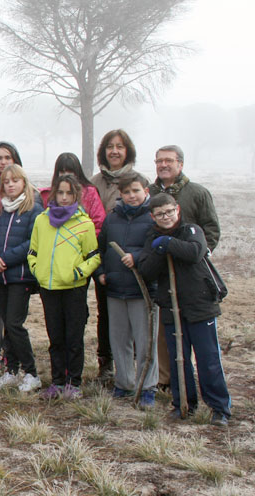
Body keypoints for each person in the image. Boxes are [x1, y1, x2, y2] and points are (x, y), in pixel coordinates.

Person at [137, 193, 230, 426]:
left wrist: (169, 244)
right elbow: (147, 269)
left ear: (177, 209)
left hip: (200, 306)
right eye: (160, 214)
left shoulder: (191, 230)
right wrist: (159, 251)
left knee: (208, 359)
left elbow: (195, 253)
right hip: (172, 307)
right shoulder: (152, 237)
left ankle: (219, 408)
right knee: (179, 359)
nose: (166, 217)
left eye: (169, 212)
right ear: (153, 216)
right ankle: (183, 405)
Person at [29, 175, 100, 401]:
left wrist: (78, 273)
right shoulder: (42, 220)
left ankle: (74, 383)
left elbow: (93, 257)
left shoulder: (84, 223)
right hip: (49, 288)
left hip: (73, 288)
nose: (64, 197)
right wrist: (38, 271)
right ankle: (57, 381)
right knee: (55, 337)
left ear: (76, 195)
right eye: (60, 193)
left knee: (74, 337)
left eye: (69, 193)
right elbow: (33, 252)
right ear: (53, 194)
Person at [41, 152, 110, 380]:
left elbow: (97, 228)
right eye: (62, 172)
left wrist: (79, 261)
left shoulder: (89, 196)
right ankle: (58, 379)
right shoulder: (46, 210)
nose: (66, 177)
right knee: (55, 331)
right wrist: (38, 267)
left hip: (77, 270)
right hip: (51, 277)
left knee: (75, 324)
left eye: (70, 172)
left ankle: (75, 378)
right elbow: (37, 245)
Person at [95, 171, 157, 407]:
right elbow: (101, 249)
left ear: (146, 192)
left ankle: (147, 386)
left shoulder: (152, 219)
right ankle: (124, 383)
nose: (132, 196)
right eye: (127, 192)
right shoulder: (112, 219)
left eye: (136, 191)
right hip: (115, 289)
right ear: (120, 194)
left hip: (142, 291)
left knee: (145, 341)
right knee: (119, 339)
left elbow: (156, 250)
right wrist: (100, 273)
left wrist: (137, 257)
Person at [92, 130, 144, 387]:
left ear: (128, 151)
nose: (114, 151)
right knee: (106, 313)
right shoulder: (94, 183)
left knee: (137, 316)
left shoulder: (140, 181)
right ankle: (107, 363)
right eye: (110, 146)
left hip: (135, 263)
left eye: (120, 147)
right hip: (104, 259)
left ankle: (138, 367)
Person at [0, 165, 43, 392]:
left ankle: (31, 372)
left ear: (24, 183)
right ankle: (11, 370)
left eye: (15, 181)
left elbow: (31, 243)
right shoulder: (2, 210)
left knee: (15, 324)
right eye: (6, 181)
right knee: (7, 325)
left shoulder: (33, 210)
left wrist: (4, 259)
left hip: (19, 277)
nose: (10, 184)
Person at [149, 145, 219, 252]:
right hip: (155, 258)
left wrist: (202, 252)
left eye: (169, 160)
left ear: (180, 165)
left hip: (187, 260)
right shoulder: (147, 193)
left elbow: (211, 228)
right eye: (159, 161)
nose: (163, 165)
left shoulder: (198, 193)